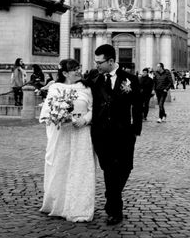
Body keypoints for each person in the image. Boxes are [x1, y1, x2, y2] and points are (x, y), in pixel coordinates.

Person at [86, 44, 142, 226]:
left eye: (100, 62)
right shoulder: (94, 79)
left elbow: (137, 105)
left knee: (126, 168)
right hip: (102, 133)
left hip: (124, 132)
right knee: (109, 170)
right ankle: (114, 210)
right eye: (96, 62)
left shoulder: (130, 79)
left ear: (111, 61)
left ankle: (111, 195)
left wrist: (136, 129)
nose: (97, 66)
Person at [39, 58, 95, 222]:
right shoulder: (55, 88)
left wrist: (84, 120)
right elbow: (49, 109)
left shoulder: (86, 87)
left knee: (80, 168)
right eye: (74, 69)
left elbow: (94, 108)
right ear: (64, 73)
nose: (79, 71)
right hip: (62, 132)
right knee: (61, 166)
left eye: (79, 68)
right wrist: (60, 116)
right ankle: (59, 204)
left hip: (81, 132)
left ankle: (79, 207)